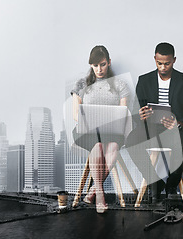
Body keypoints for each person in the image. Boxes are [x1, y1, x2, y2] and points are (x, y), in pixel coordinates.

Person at [125, 42, 183, 204]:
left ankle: (172, 185)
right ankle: (155, 182)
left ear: (174, 60)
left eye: (167, 63)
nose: (163, 67)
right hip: (151, 128)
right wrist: (141, 115)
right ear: (154, 59)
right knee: (131, 140)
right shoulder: (144, 80)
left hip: (177, 130)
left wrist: (178, 122)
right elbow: (134, 114)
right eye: (159, 63)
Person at [71, 45, 130, 213]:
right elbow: (76, 114)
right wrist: (90, 121)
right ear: (90, 65)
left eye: (102, 64)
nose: (99, 69)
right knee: (97, 146)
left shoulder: (120, 84)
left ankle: (93, 190)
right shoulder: (81, 83)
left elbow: (123, 113)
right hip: (87, 130)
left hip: (112, 131)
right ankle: (100, 195)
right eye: (95, 65)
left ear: (109, 62)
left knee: (113, 146)